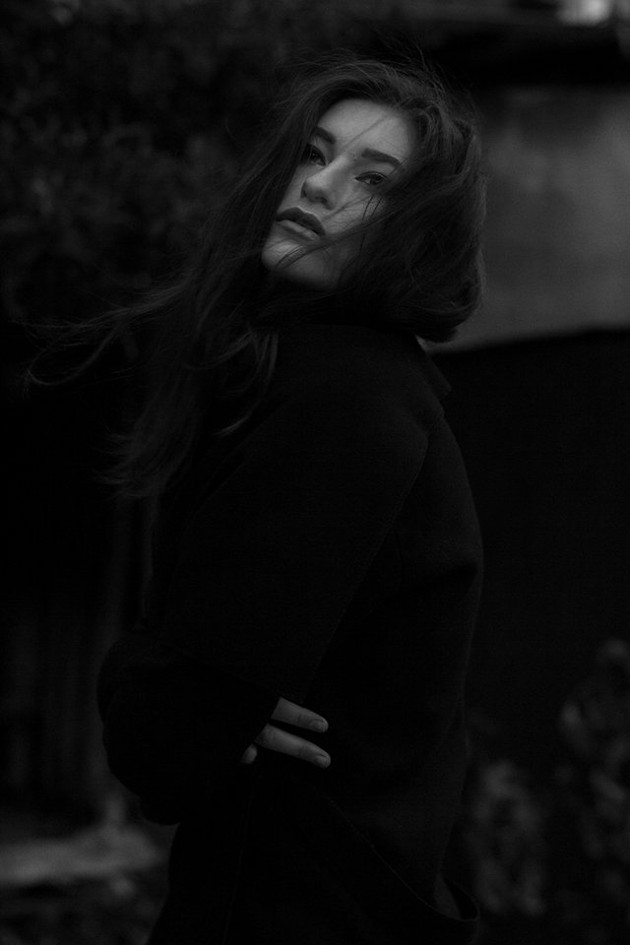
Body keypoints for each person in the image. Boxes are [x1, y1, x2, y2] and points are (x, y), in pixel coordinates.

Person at [96, 54, 486, 944]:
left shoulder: (345, 403)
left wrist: (147, 677)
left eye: (372, 179)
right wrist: (179, 685)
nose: (320, 184)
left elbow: (165, 750)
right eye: (315, 153)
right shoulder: (351, 384)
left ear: (418, 235)